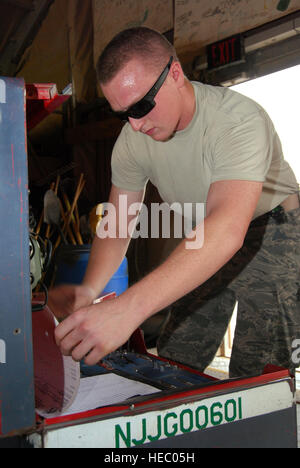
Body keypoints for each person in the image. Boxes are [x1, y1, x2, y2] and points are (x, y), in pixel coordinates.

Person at [51, 27, 300, 377]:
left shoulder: (237, 120)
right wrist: (90, 291)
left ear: (176, 74)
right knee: (176, 352)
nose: (135, 125)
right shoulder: (132, 141)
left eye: (141, 105)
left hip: (274, 230)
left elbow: (227, 228)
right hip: (208, 229)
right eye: (124, 113)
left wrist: (128, 309)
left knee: (258, 372)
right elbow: (118, 225)